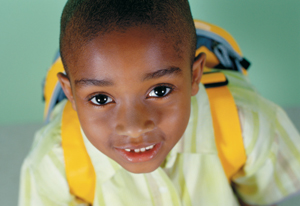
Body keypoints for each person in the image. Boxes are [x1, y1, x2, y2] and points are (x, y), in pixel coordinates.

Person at [19, 0, 300, 205]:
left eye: (160, 90)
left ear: (194, 76)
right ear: (69, 93)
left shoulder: (247, 124)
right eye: (101, 98)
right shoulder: (53, 162)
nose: (133, 128)